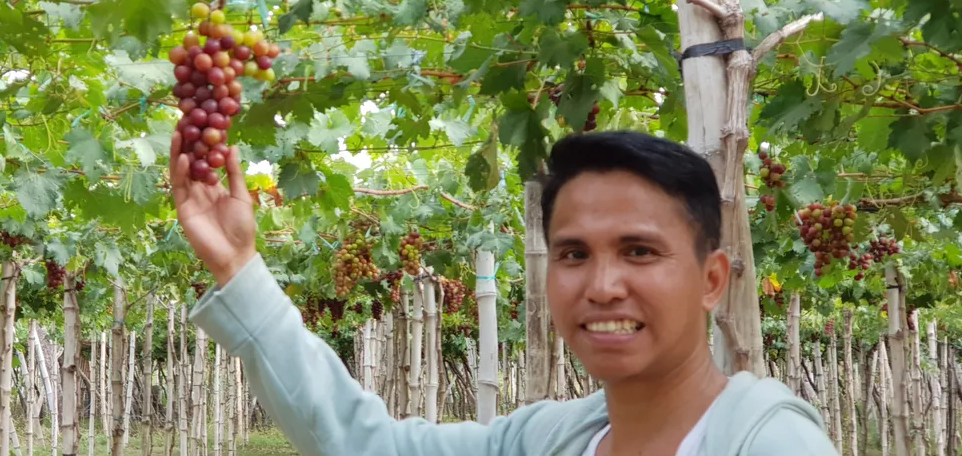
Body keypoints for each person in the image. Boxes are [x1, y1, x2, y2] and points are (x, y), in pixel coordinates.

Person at [169, 129, 837, 455]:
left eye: (640, 251)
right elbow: (363, 442)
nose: (603, 286)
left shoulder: (769, 444)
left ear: (712, 280)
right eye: (574, 254)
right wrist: (239, 268)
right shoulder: (552, 440)